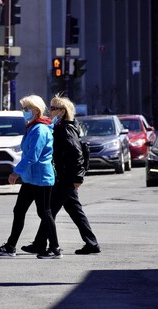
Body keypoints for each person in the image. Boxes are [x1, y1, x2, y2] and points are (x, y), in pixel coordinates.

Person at [21, 95, 101, 256]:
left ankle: (47, 246)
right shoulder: (61, 127)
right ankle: (91, 243)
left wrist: (78, 177)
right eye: (50, 107)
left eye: (53, 108)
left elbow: (77, 153)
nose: (49, 111)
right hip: (65, 177)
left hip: (67, 178)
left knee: (48, 210)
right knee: (74, 210)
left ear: (62, 112)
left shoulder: (65, 129)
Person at [0, 94, 62, 259]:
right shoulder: (33, 127)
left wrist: (17, 172)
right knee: (19, 210)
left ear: (36, 110)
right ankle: (10, 246)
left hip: (41, 177)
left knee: (45, 212)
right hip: (31, 178)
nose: (24, 112)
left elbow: (32, 156)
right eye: (23, 108)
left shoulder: (40, 129)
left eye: (26, 108)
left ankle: (55, 248)